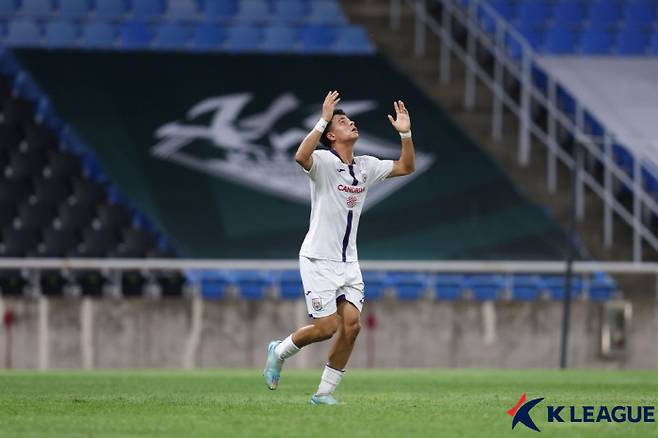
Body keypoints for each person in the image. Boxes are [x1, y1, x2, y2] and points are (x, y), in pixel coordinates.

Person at [264, 90, 416, 405]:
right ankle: (279, 351)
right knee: (326, 327)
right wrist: (323, 118)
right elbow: (300, 157)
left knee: (352, 326)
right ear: (332, 135)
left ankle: (323, 394)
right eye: (343, 121)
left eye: (350, 119)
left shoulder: (365, 166)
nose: (351, 123)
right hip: (318, 258)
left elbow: (406, 167)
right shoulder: (322, 161)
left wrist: (406, 134)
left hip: (349, 263)